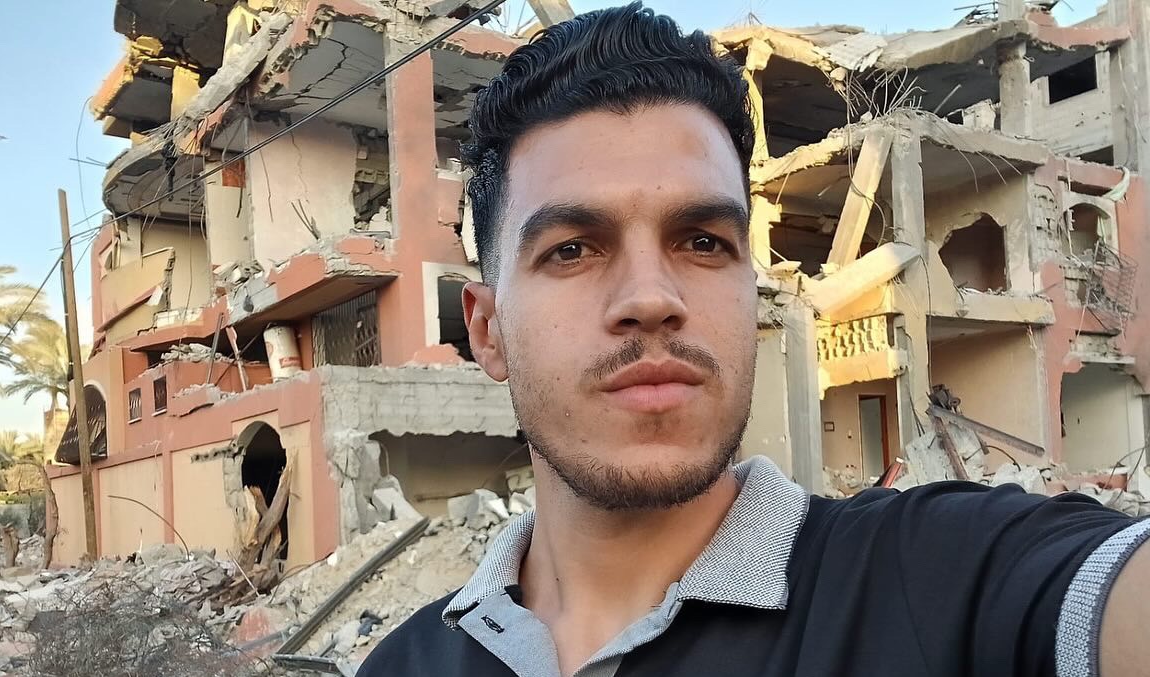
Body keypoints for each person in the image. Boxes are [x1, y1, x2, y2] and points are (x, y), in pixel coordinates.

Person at [358, 4, 1149, 676]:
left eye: (702, 241)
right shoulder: (403, 665)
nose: (651, 298)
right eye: (572, 249)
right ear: (487, 330)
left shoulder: (941, 579)